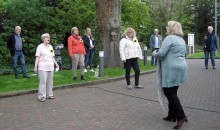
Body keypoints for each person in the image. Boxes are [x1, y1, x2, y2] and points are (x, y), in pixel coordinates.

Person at [152, 21, 188, 129]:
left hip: (171, 68)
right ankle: (171, 115)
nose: (166, 28)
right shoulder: (181, 39)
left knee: (169, 92)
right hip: (182, 67)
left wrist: (154, 53)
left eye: (168, 26)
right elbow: (185, 53)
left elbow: (161, 54)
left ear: (172, 28)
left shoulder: (169, 38)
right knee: (173, 91)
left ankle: (181, 116)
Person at [34, 33, 59, 102]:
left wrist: (56, 64)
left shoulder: (50, 47)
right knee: (43, 82)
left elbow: (52, 57)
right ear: (43, 39)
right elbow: (37, 57)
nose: (48, 38)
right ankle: (41, 96)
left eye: (49, 37)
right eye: (47, 37)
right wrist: (35, 66)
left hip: (50, 66)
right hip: (42, 67)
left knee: (50, 82)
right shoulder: (40, 47)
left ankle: (49, 95)